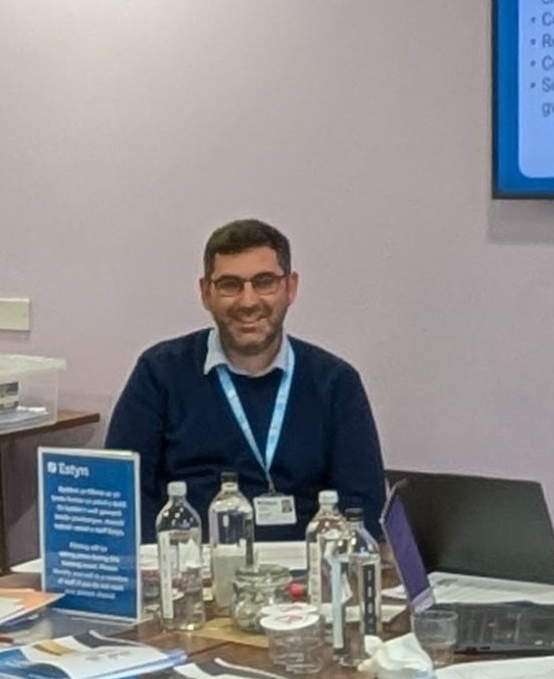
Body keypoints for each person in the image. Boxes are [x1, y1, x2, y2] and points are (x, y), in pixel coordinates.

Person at [105, 217, 388, 534]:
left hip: (305, 572)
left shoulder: (336, 383)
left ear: (290, 287)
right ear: (205, 293)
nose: (248, 301)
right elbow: (121, 498)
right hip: (192, 570)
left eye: (265, 282)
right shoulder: (159, 374)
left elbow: (362, 506)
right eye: (230, 285)